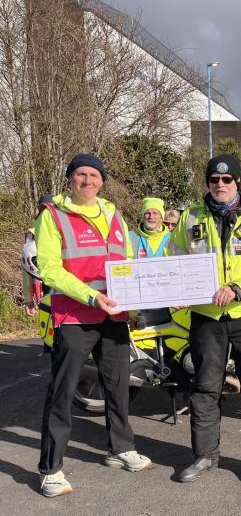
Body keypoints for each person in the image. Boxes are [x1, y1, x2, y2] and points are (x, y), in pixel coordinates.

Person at [35, 153, 151, 497]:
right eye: (81, 174)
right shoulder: (52, 216)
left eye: (94, 175)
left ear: (102, 180)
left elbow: (128, 262)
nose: (88, 181)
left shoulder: (114, 214)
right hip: (75, 317)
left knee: (117, 387)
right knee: (62, 391)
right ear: (71, 178)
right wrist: (90, 296)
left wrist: (135, 302)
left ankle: (121, 448)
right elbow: (50, 269)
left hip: (114, 317)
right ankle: (50, 469)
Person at [169, 154, 241, 487]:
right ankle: (205, 456)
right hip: (206, 316)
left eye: (227, 180)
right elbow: (175, 260)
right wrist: (174, 290)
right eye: (214, 180)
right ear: (207, 182)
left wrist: (239, 288)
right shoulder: (190, 216)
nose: (220, 185)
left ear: (237, 183)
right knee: (204, 389)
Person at [21, 194, 55, 316]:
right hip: (46, 287)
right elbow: (27, 270)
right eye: (44, 209)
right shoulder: (33, 234)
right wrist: (28, 299)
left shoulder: (67, 229)